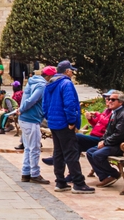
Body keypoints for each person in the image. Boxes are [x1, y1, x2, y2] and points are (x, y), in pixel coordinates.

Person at [43, 60, 94, 194]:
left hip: (54, 123)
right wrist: (72, 122)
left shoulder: (50, 84)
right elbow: (70, 104)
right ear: (66, 71)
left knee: (58, 153)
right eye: (71, 70)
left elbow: (45, 105)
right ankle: (78, 183)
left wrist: (49, 117)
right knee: (71, 152)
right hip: (65, 124)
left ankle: (60, 182)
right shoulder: (66, 83)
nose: (72, 73)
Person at [85, 90, 124, 187]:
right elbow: (108, 132)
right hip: (114, 144)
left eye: (113, 99)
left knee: (97, 154)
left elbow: (119, 135)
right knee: (90, 152)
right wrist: (102, 140)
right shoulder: (115, 112)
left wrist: (105, 143)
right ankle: (105, 177)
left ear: (120, 102)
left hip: (123, 146)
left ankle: (114, 174)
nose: (109, 101)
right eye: (109, 99)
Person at [18, 67, 50, 184]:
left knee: (28, 147)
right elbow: (32, 100)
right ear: (49, 77)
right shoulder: (42, 86)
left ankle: (26, 172)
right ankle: (35, 174)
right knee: (35, 148)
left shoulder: (32, 81)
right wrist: (21, 109)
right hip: (31, 119)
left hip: (26, 119)